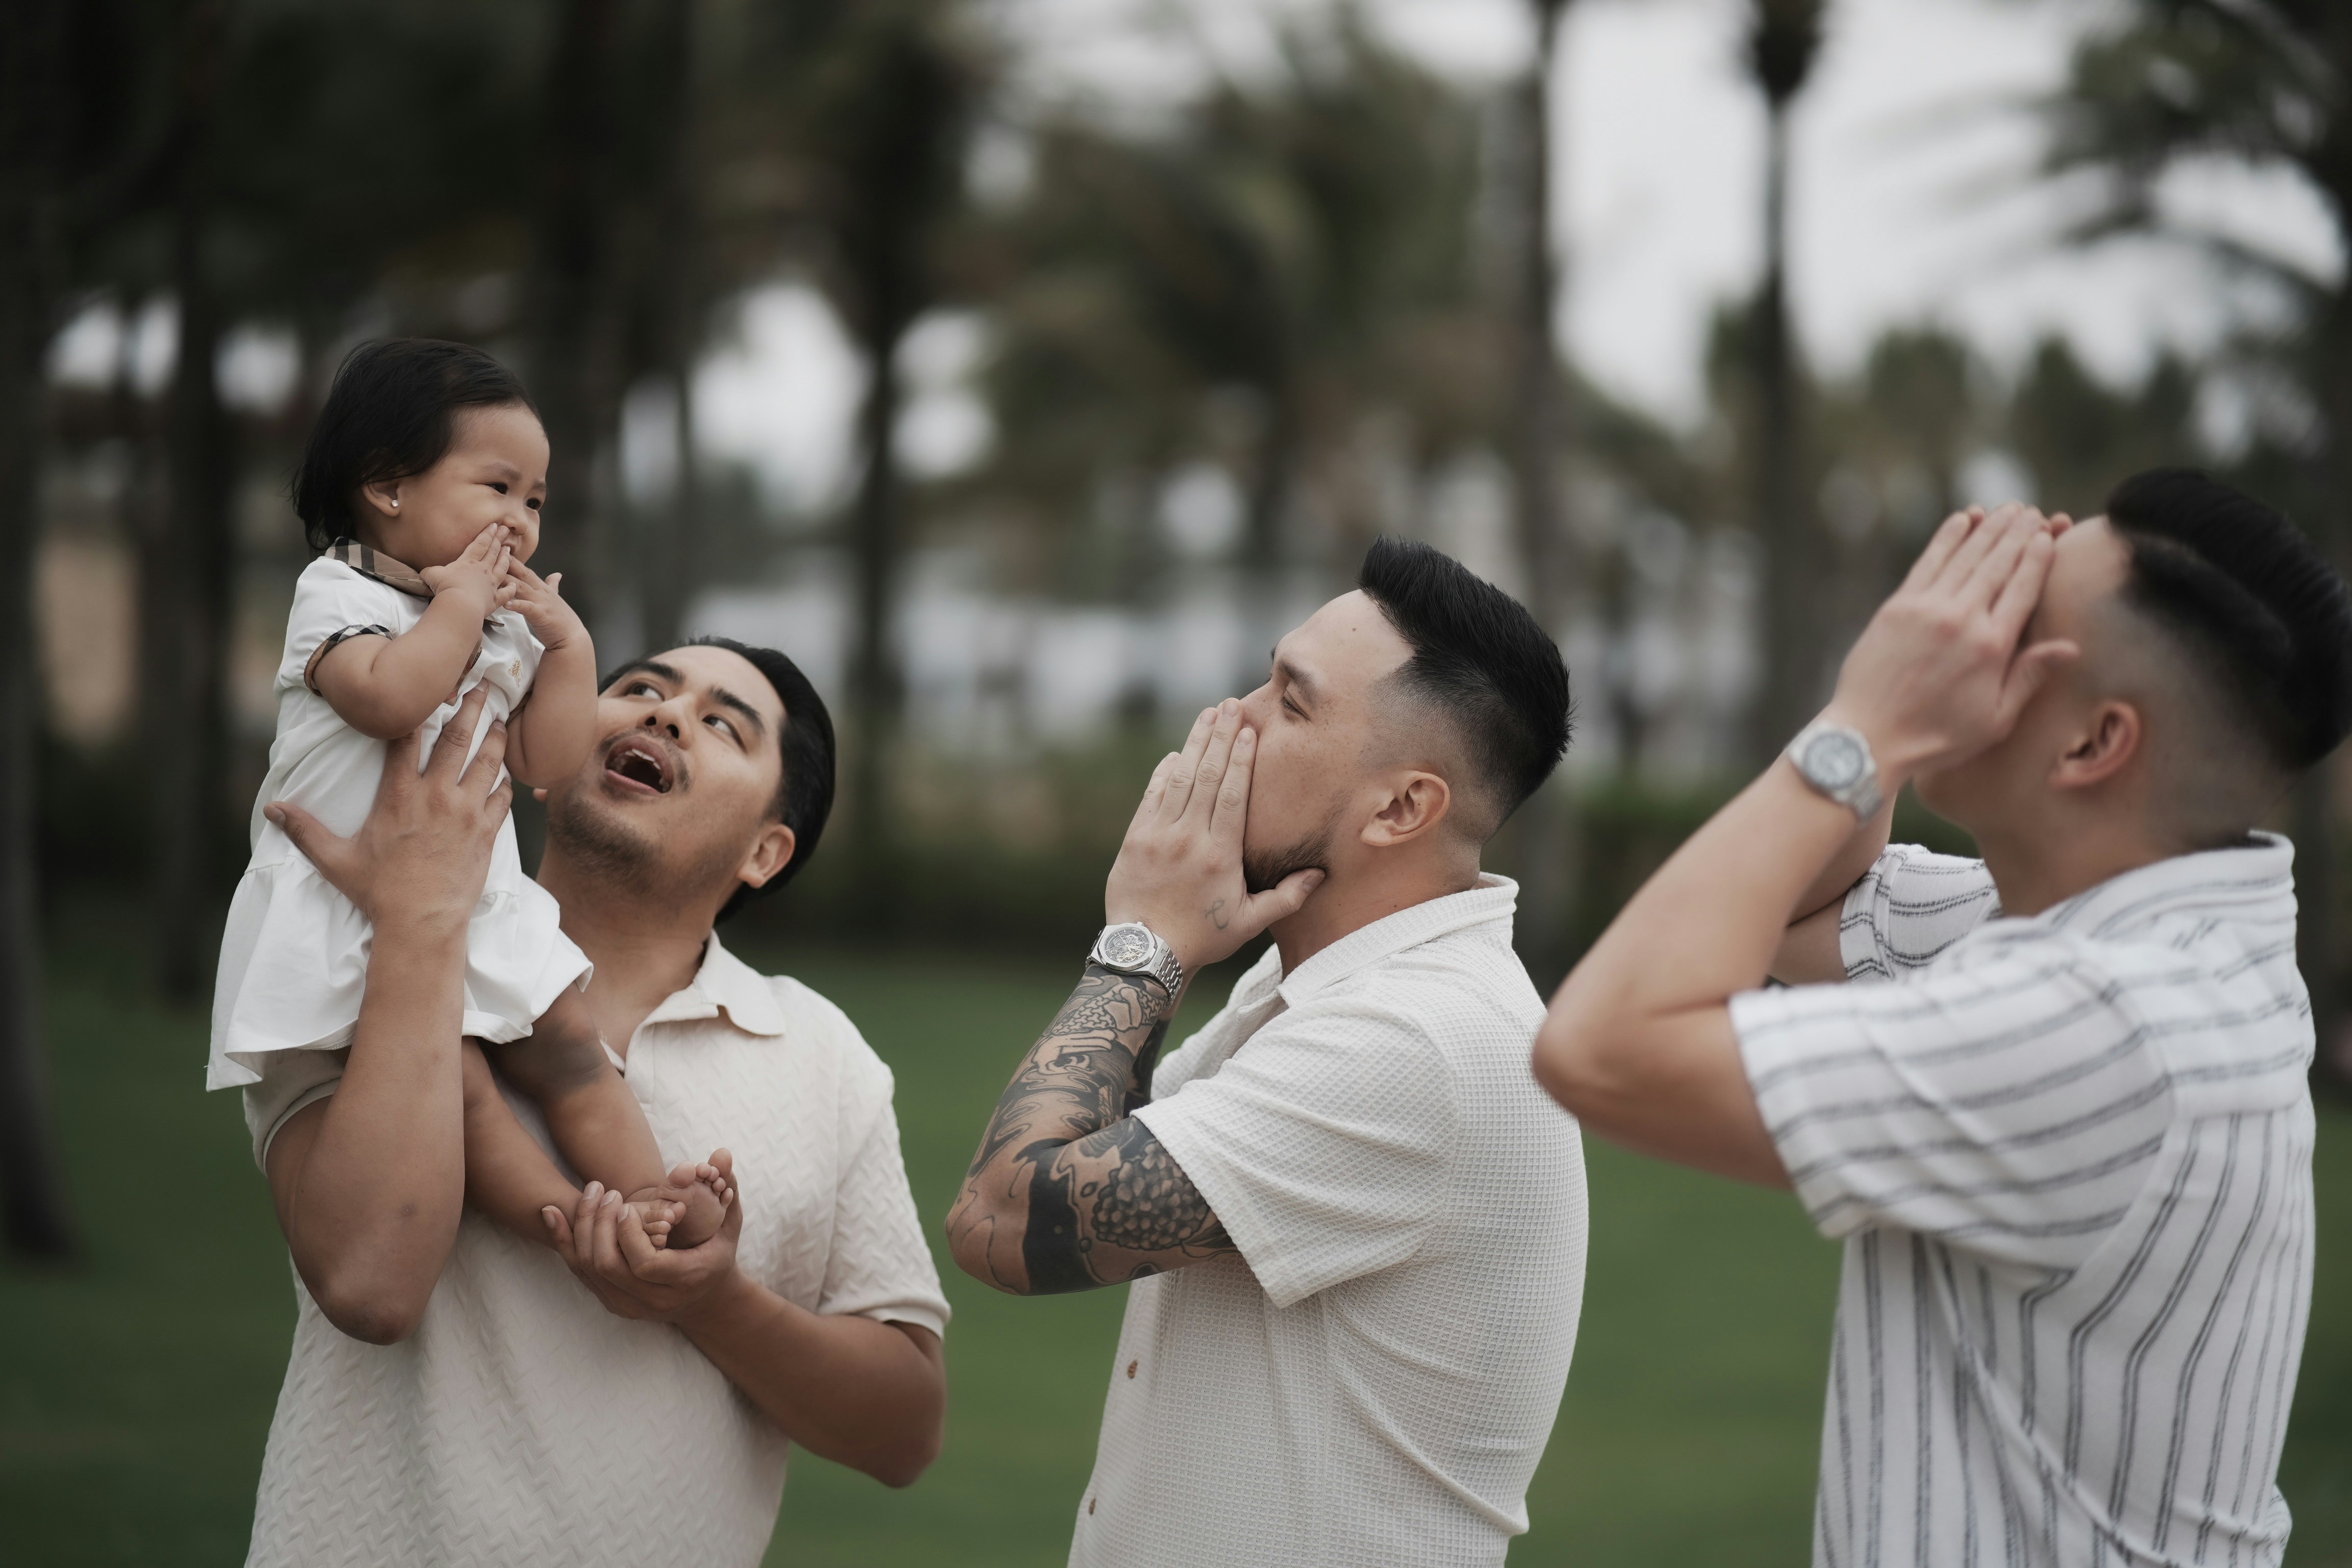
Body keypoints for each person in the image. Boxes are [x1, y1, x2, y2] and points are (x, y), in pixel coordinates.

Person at [1534, 474, 2350, 1566]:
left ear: (2091, 745)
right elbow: (1798, 909)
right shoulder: (2124, 928)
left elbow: (1604, 1046)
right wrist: (1880, 709)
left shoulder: (2109, 1024)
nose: (1965, 630)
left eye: (2013, 620)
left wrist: (1868, 721)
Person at [238, 640, 949, 1567]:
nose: (665, 713)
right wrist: (419, 927)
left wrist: (713, 1298)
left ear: (767, 852)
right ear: (545, 755)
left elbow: (903, 1434)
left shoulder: (824, 1054)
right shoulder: (355, 945)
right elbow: (369, 1283)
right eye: (640, 690)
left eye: (721, 723)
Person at [947, 538, 1586, 1568]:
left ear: (1401, 808)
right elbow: (1094, 1149)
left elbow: (1002, 1220)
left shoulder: (1415, 1039)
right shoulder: (1321, 985)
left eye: (1289, 704)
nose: (1227, 720)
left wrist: (1143, 947)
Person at [209, 337, 729, 1248]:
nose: (523, 521)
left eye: (536, 501)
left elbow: (547, 758)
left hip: (477, 898)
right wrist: (456, 609)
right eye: (497, 489)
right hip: (354, 908)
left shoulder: (501, 625)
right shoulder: (338, 594)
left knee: (571, 1046)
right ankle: (573, 1221)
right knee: (460, 1084)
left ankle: (652, 1194)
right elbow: (387, 699)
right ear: (388, 487)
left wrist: (567, 649)